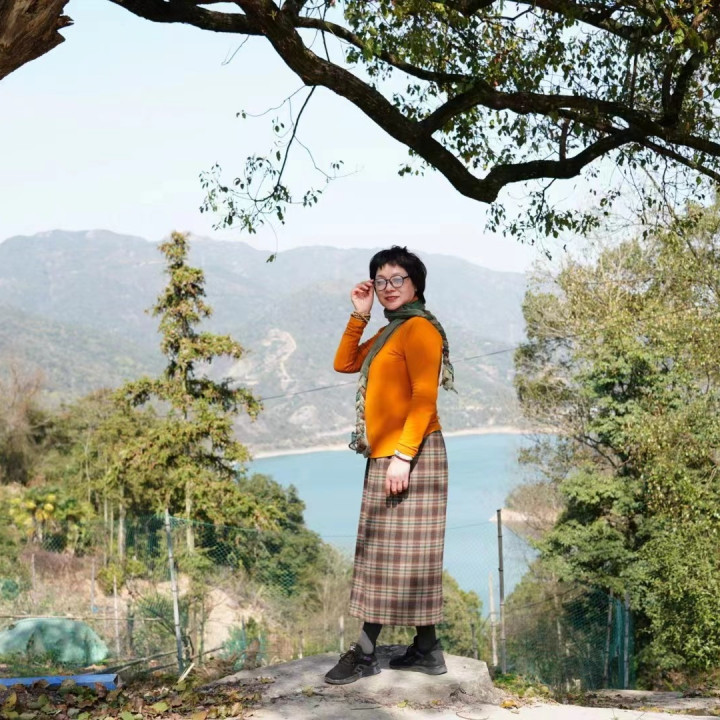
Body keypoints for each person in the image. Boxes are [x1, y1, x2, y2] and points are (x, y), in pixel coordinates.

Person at [325, 246, 455, 685]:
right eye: (380, 281)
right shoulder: (390, 332)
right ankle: (427, 650)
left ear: (416, 284)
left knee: (384, 555)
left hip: (410, 455)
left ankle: (364, 654)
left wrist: (402, 457)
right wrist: (359, 315)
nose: (388, 287)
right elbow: (345, 363)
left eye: (397, 279)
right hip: (390, 454)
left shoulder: (420, 330)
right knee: (405, 556)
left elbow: (424, 399)